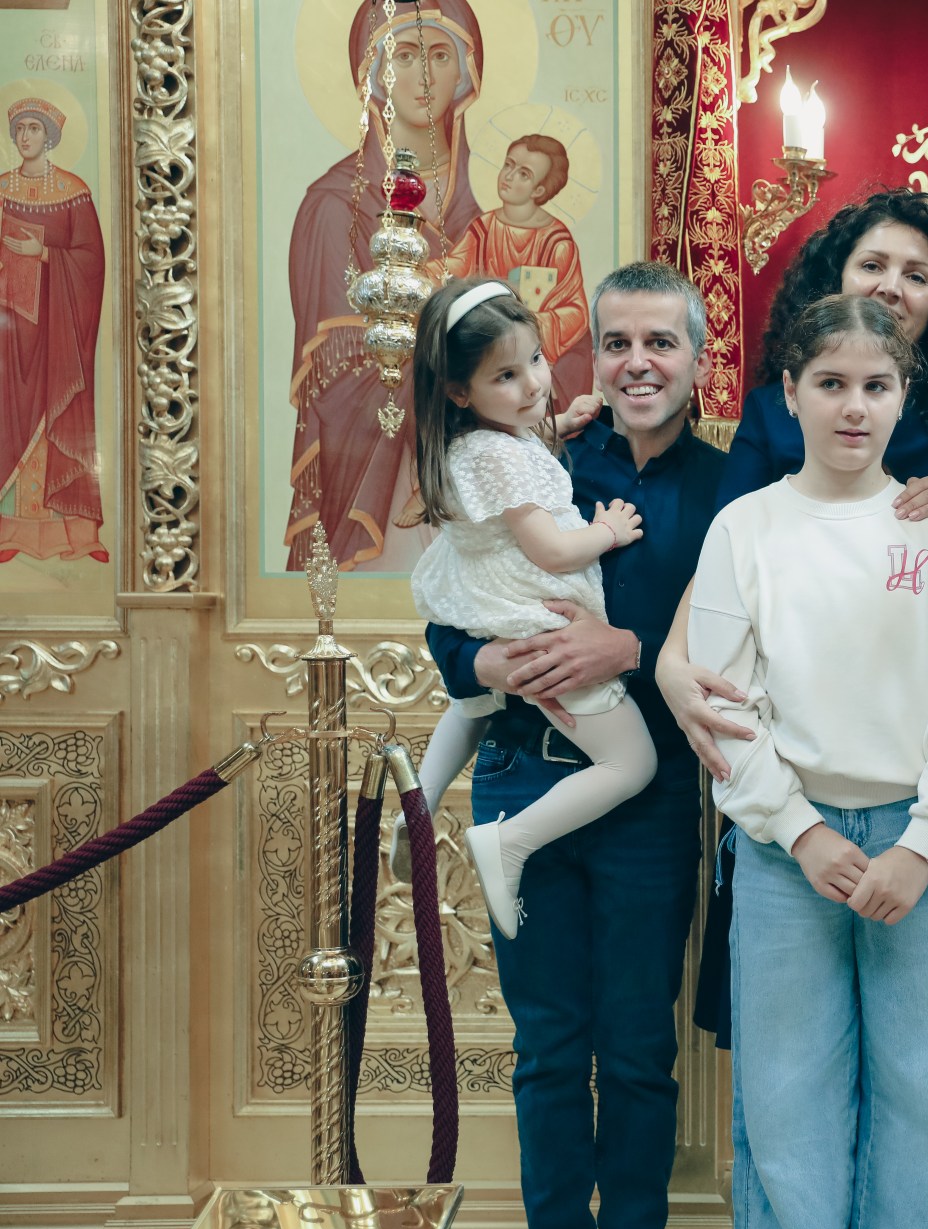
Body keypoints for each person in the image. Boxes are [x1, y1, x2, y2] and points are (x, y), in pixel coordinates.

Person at [688, 294, 928, 1229]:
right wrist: (799, 828)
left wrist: (925, 841)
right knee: (787, 1105)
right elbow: (723, 704)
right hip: (787, 856)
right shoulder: (746, 527)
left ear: (904, 395)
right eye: (829, 384)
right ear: (789, 393)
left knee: (921, 1102)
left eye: (876, 385)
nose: (852, 407)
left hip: (920, 854)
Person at [425, 261, 726, 1229]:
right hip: (522, 776)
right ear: (590, 353)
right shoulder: (541, 456)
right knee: (549, 1045)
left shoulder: (728, 489)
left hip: (648, 800)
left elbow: (745, 640)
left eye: (662, 343)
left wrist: (627, 647)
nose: (638, 363)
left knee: (638, 1045)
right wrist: (488, 663)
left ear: (697, 360)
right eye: (617, 342)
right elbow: (452, 620)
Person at [400, 277, 647, 938]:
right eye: (506, 376)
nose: (534, 383)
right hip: (532, 608)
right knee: (632, 762)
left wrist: (558, 425)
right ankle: (510, 842)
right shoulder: (501, 456)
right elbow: (554, 552)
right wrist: (608, 531)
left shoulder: (474, 439)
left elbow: (517, 454)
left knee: (473, 704)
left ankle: (418, 804)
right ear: (461, 391)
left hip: (481, 598)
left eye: (535, 359)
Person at [287, 0, 484, 571]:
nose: (424, 76)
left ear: (466, 72)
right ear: (373, 72)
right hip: (381, 459)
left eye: (440, 55)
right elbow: (330, 355)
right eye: (405, 55)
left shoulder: (495, 206)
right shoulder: (334, 205)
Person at [716, 187, 928, 516]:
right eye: (872, 266)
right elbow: (734, 526)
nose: (890, 288)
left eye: (916, 276)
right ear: (837, 277)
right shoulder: (769, 411)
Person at [0, 96, 106, 563]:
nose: (25, 136)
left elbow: (92, 262)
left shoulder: (73, 191)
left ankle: (75, 535)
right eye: (20, 128)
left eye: (34, 128)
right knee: (9, 419)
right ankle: (10, 532)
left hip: (60, 332)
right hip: (9, 335)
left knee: (59, 417)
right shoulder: (2, 189)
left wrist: (41, 254)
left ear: (50, 137)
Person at [445, 134, 592, 404]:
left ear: (539, 190)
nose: (509, 176)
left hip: (533, 356)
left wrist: (521, 327)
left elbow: (574, 311)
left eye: (524, 174)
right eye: (508, 165)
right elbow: (452, 267)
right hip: (487, 350)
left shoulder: (556, 242)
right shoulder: (483, 229)